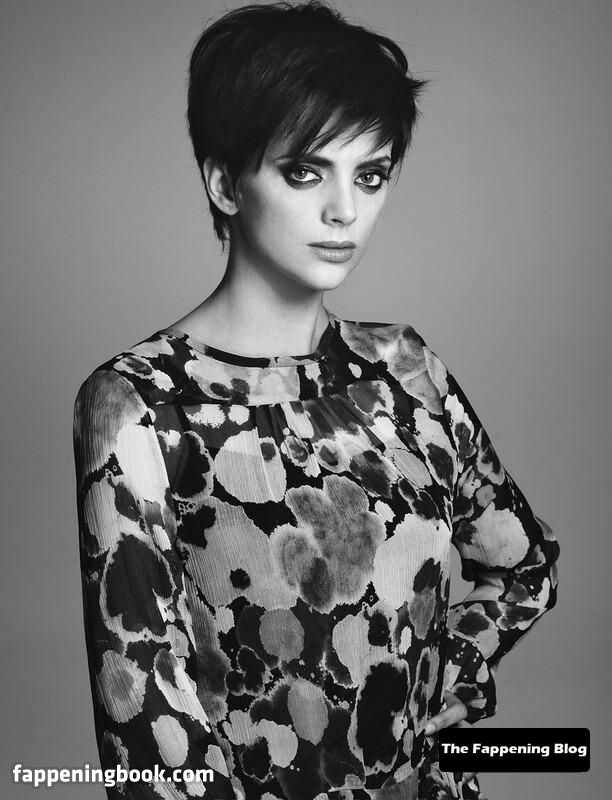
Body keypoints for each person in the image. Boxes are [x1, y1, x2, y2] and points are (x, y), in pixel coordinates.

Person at [72, 2, 559, 799]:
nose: (345, 211)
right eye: (305, 171)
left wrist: (457, 662)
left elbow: (523, 568)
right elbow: (148, 740)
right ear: (224, 182)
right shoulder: (139, 405)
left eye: (370, 175)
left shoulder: (406, 369)